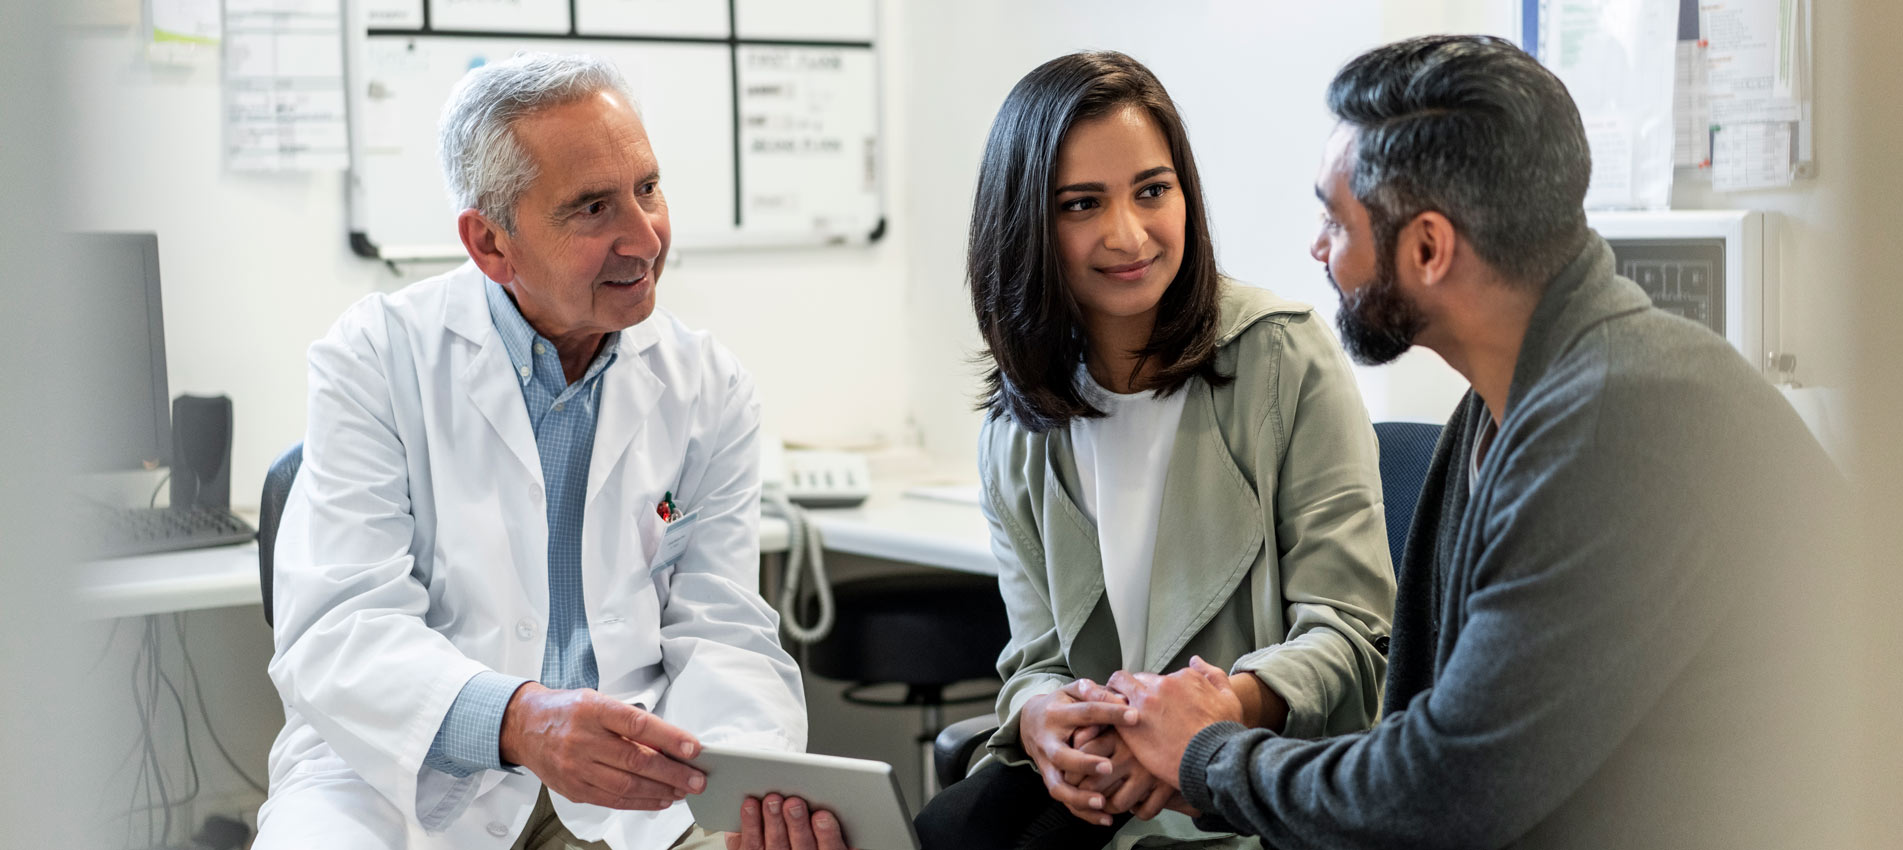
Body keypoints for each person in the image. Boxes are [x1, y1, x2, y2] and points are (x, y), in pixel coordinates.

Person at [1102, 35, 1844, 850]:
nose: (1317, 248)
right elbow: (1432, 746)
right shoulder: (1510, 400)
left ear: (1428, 248)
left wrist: (1207, 754)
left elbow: (1446, 794)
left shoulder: (1624, 420)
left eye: (1335, 220)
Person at [257, 52, 848, 850]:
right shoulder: (376, 359)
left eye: (647, 188)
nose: (645, 237)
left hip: (635, 788)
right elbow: (338, 628)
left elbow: (723, 630)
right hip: (403, 787)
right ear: (490, 243)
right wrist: (517, 721)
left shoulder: (707, 386)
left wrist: (746, 787)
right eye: (593, 209)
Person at [914, 51, 1396, 849]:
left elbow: (1351, 634)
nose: (1127, 234)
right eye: (1081, 204)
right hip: (1101, 809)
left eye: (1151, 191)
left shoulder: (1284, 359)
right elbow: (1034, 661)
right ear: (1027, 225)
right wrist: (1041, 718)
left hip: (1251, 800)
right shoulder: (1014, 426)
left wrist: (1204, 728)